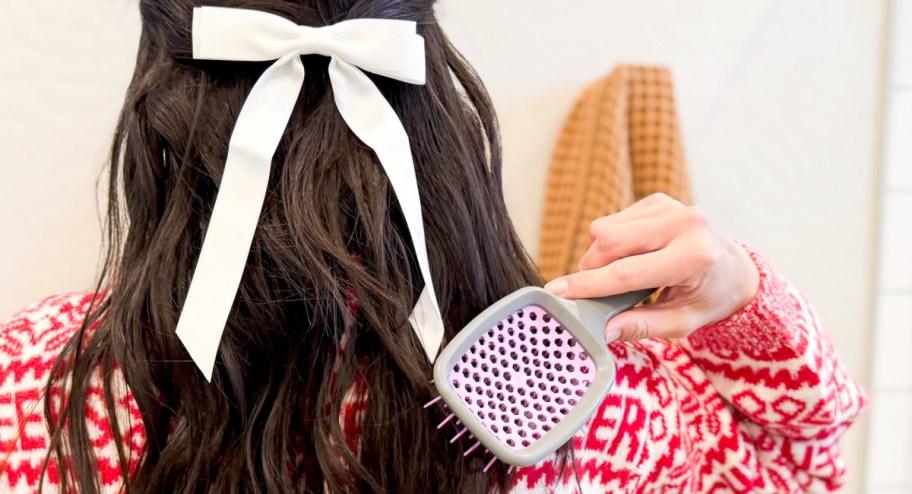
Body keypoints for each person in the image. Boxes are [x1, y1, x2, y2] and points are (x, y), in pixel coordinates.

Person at [0, 0, 865, 493]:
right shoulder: (590, 410)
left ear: (160, 110)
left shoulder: (33, 388)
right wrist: (744, 302)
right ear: (436, 105)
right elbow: (799, 468)